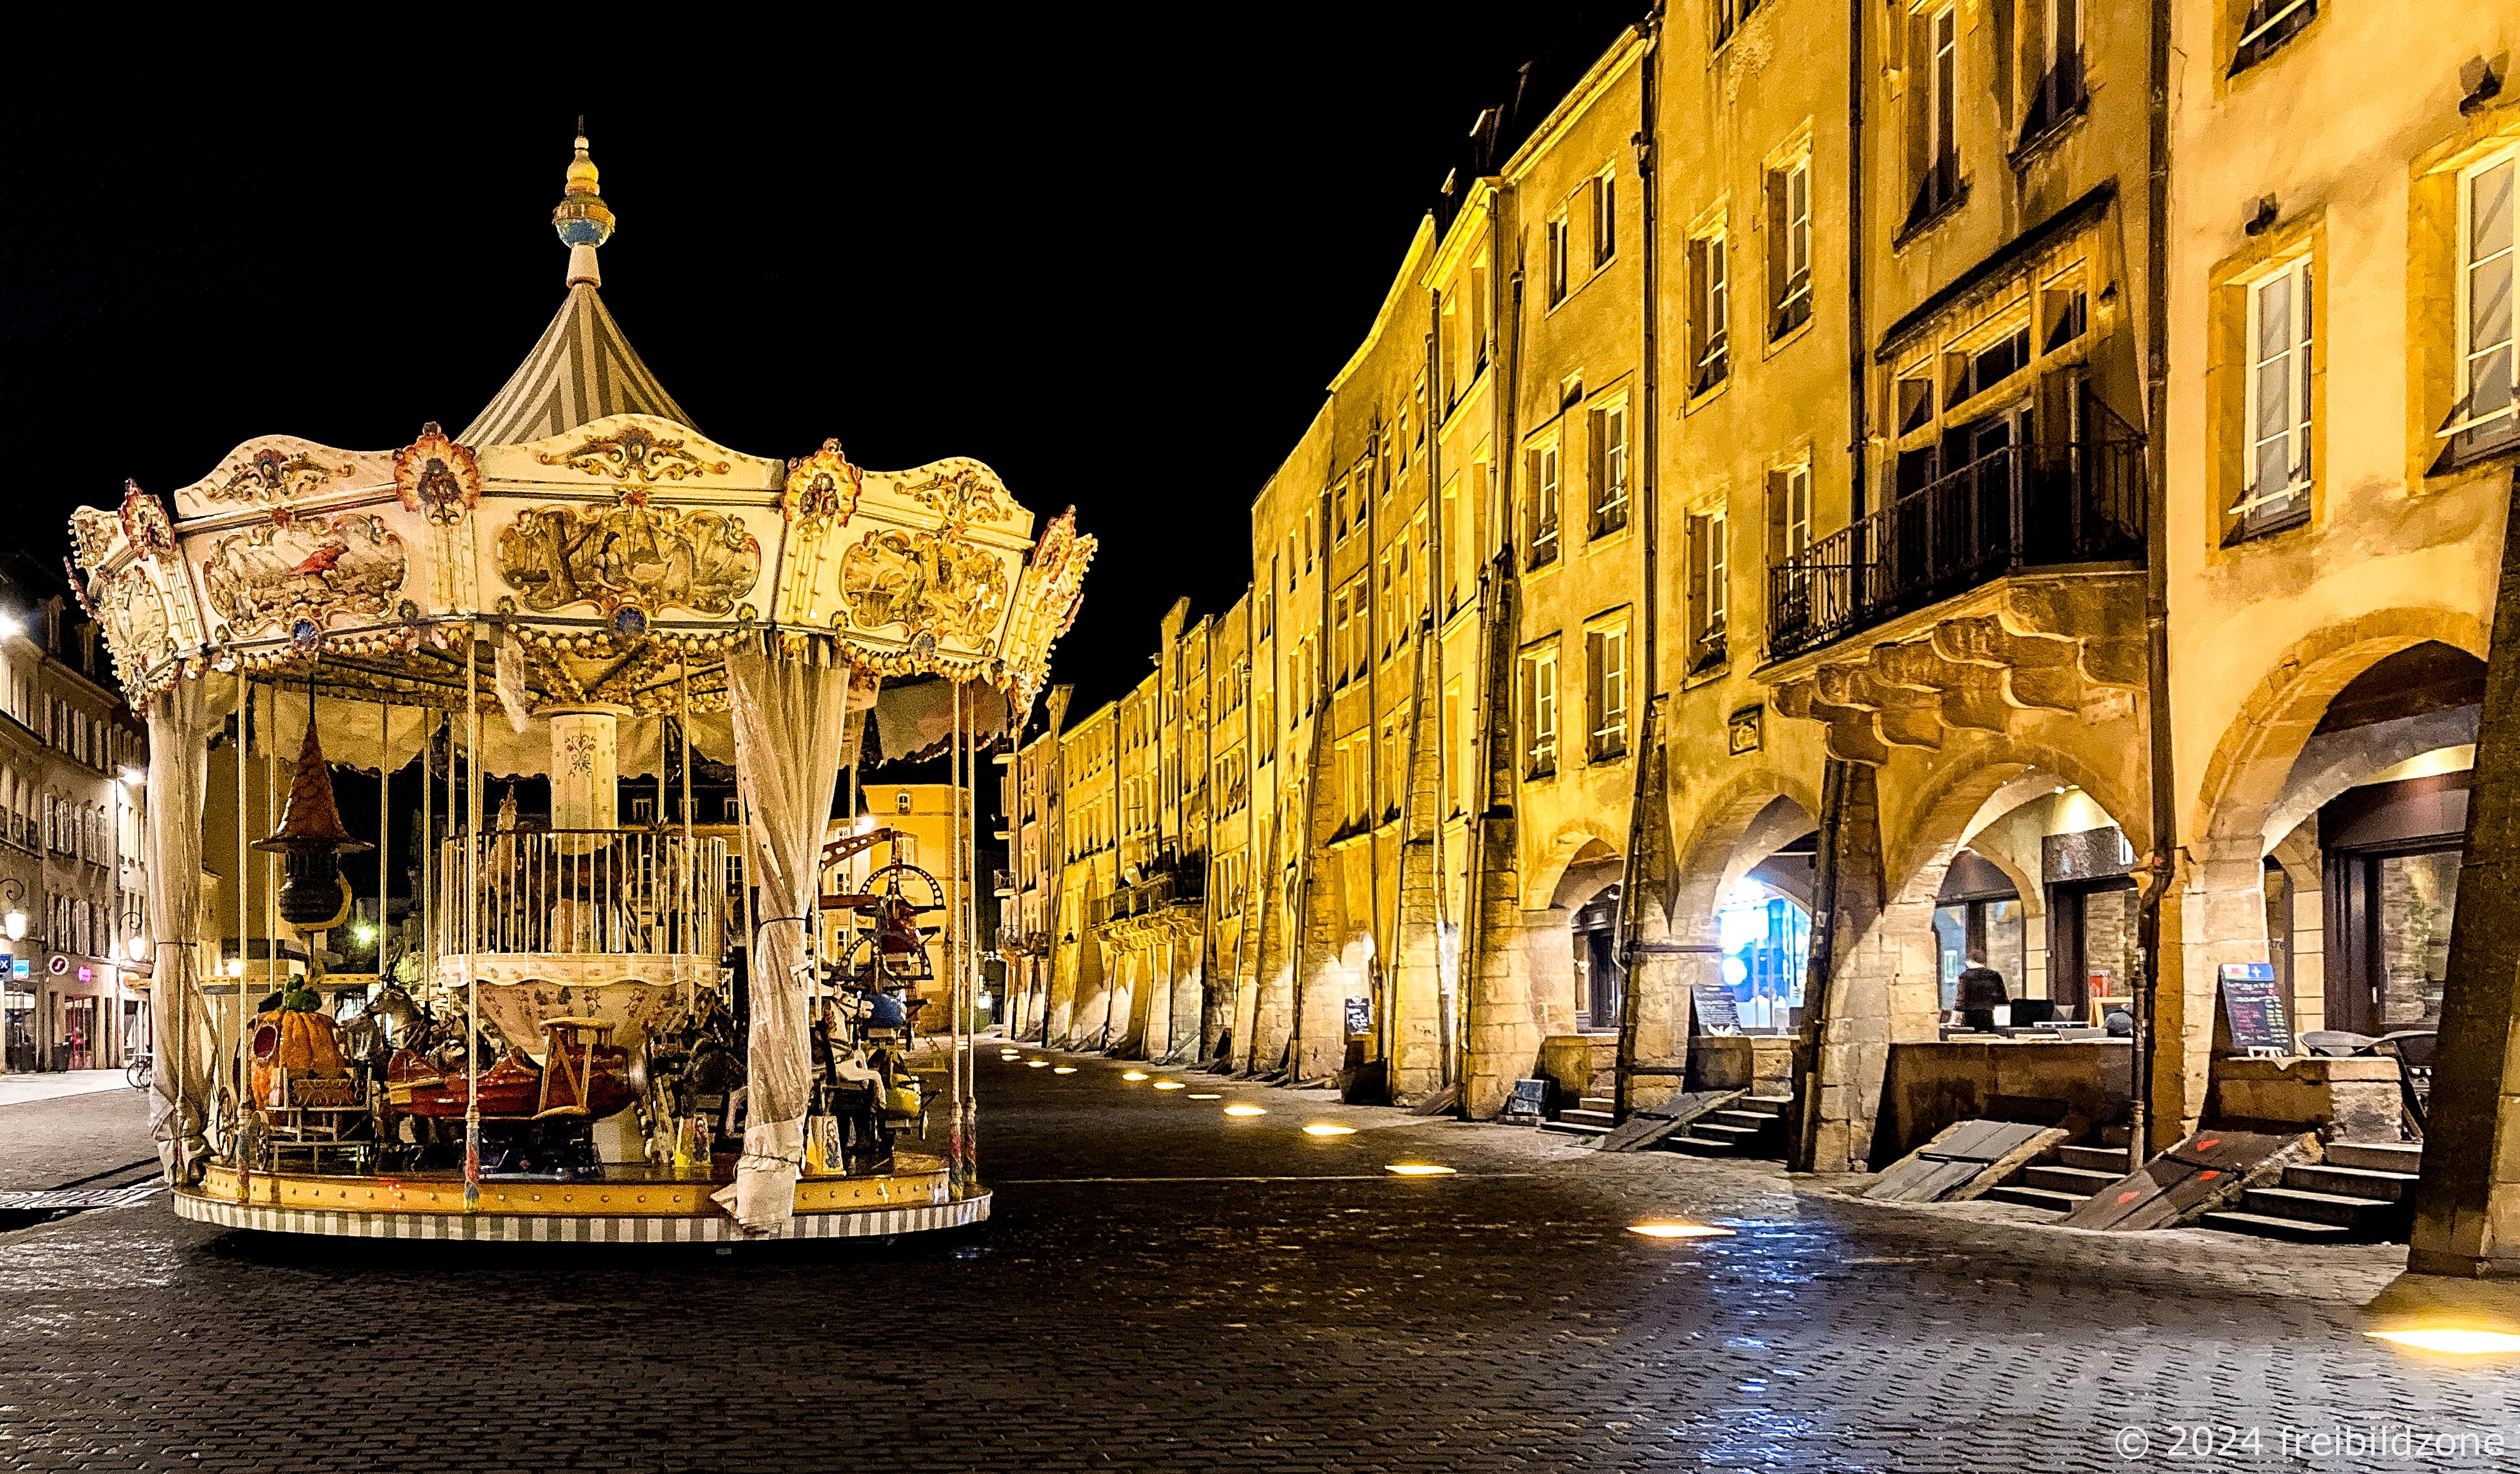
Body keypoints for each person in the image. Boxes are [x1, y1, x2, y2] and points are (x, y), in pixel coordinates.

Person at [1954, 955, 2009, 1032]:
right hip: (1988, 1013)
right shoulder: (1994, 975)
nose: (1966, 964)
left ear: (1972, 961)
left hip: (1970, 1014)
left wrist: (1955, 1016)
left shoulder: (1965, 976)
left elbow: (1961, 997)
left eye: (1967, 962)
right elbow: (2001, 997)